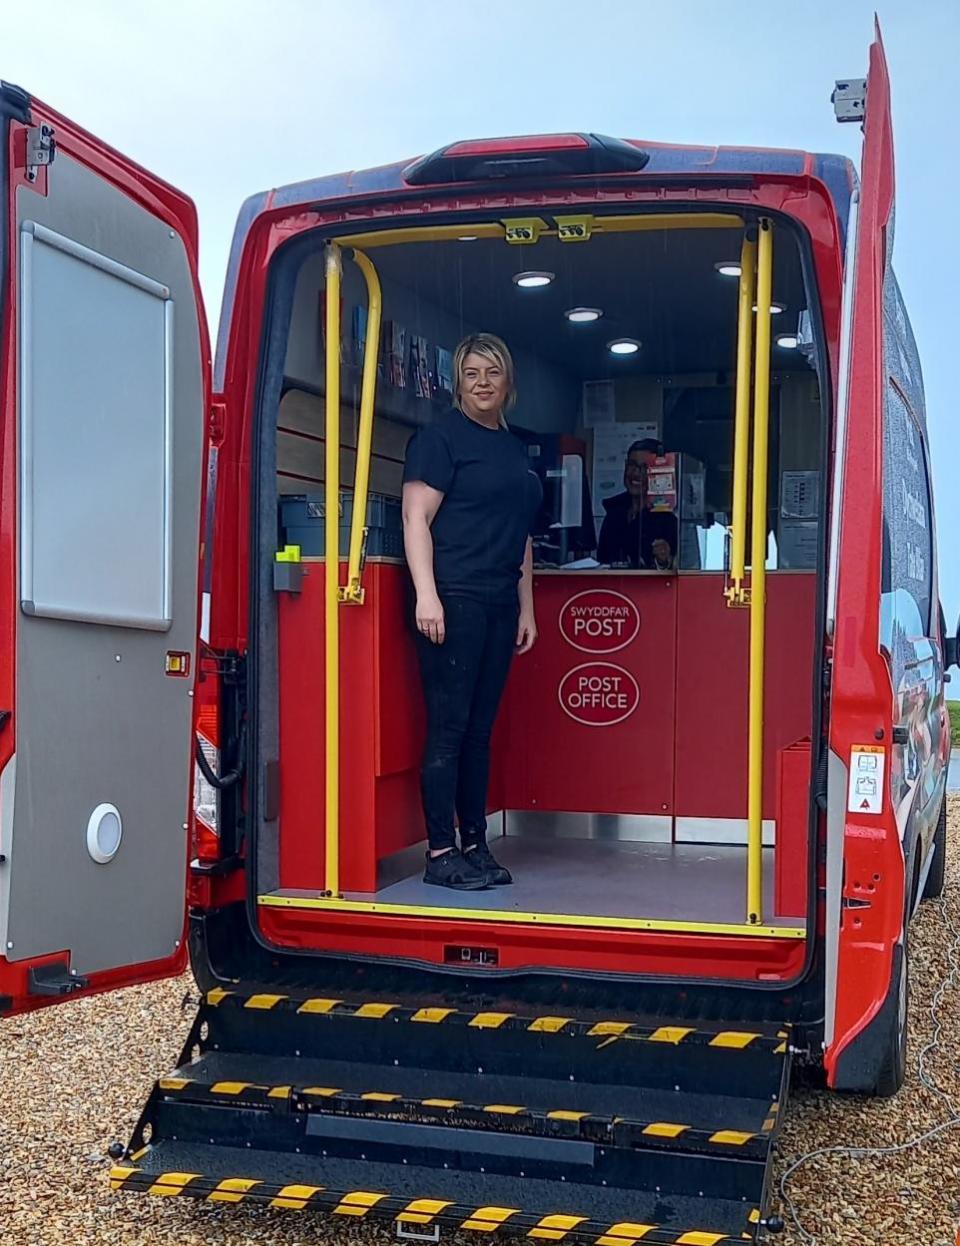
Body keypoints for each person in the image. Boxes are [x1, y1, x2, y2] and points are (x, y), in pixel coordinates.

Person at [402, 333, 542, 890]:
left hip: (499, 601)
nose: (482, 383)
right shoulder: (439, 439)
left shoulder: (514, 448)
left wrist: (526, 608)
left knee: (479, 733)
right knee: (448, 731)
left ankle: (475, 844)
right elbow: (417, 520)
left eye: (492, 373)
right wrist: (426, 595)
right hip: (453, 597)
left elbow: (522, 536)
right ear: (457, 383)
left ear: (508, 383)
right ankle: (440, 852)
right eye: (471, 374)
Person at [597, 441, 678, 570]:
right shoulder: (614, 513)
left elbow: (690, 568)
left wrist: (664, 561)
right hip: (614, 589)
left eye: (644, 467)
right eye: (632, 465)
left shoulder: (671, 518)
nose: (635, 473)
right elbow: (602, 561)